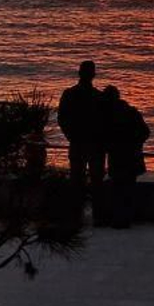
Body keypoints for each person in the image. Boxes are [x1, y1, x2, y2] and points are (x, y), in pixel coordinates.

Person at [57, 61, 106, 215]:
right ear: (93, 75)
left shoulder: (70, 94)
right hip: (93, 144)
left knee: (77, 180)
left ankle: (75, 214)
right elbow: (105, 121)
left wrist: (70, 136)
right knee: (96, 182)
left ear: (79, 73)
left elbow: (62, 118)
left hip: (79, 142)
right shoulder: (98, 97)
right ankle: (97, 214)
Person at [101, 85, 150, 229]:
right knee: (127, 187)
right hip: (131, 155)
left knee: (119, 187)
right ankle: (125, 218)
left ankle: (120, 218)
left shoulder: (109, 115)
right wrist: (135, 144)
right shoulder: (131, 111)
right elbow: (145, 132)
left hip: (119, 156)